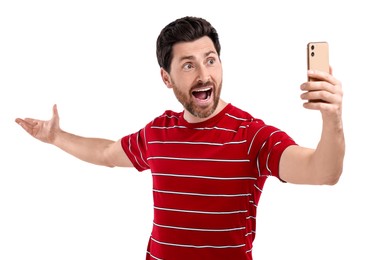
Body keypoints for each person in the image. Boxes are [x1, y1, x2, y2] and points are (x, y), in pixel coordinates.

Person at [15, 16, 345, 260]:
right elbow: (106, 153)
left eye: (210, 60)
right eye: (188, 65)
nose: (204, 75)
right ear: (166, 77)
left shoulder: (252, 136)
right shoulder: (159, 131)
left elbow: (322, 172)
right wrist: (57, 137)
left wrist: (332, 118)